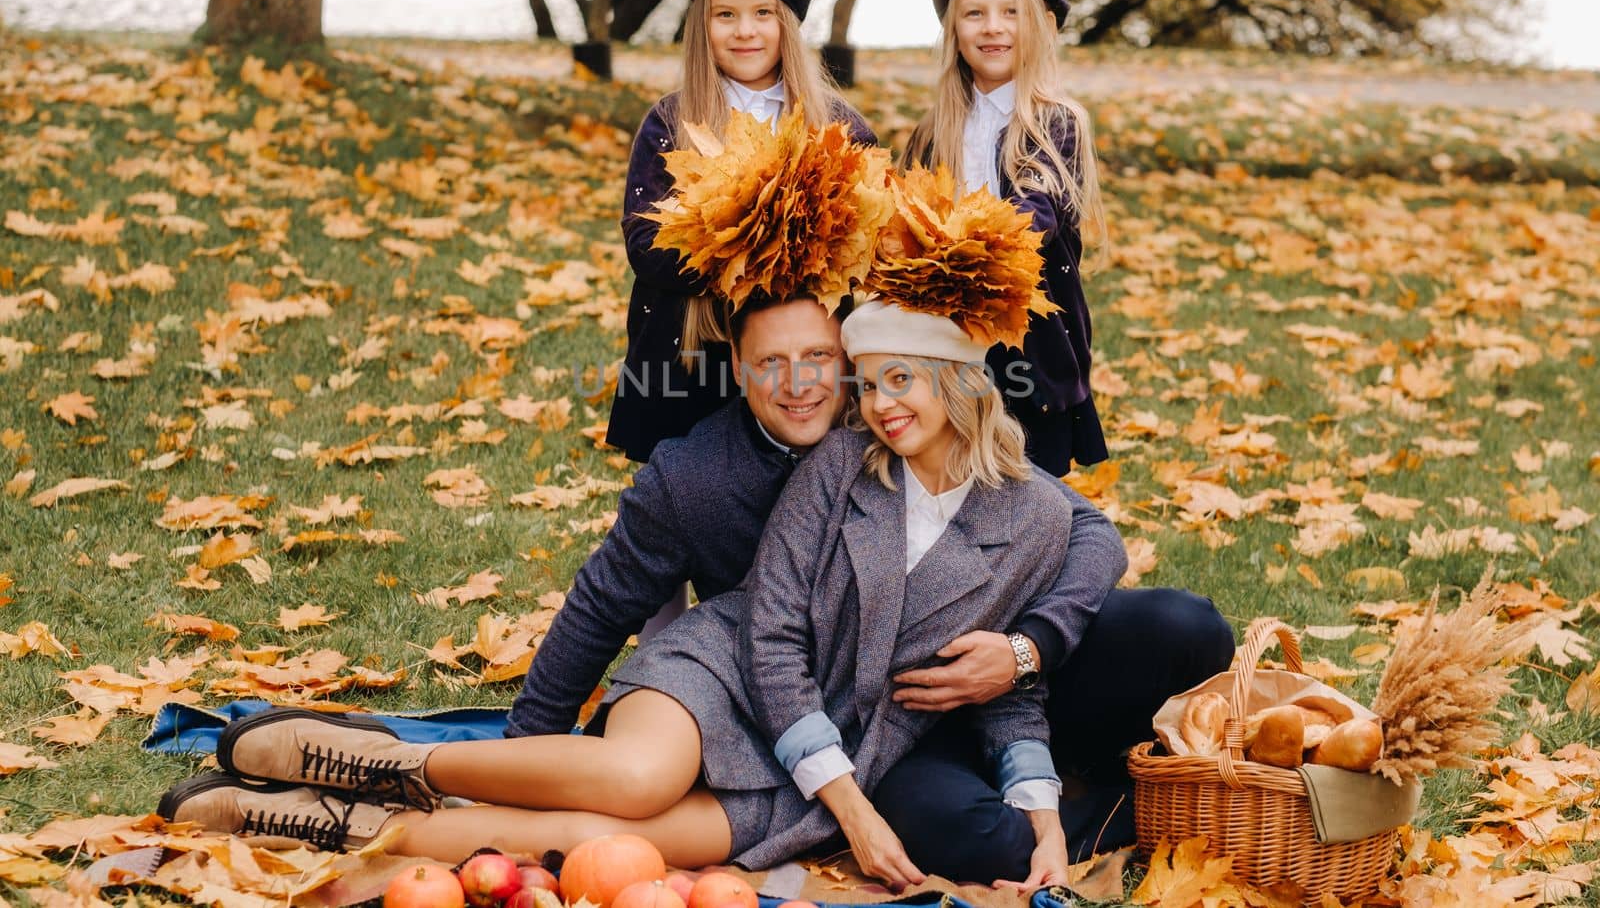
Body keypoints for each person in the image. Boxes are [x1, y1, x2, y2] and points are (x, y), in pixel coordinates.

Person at [155, 179, 1087, 887]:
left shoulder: (1004, 496)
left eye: (845, 368)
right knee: (638, 779)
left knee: (604, 845)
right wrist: (521, 756)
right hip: (728, 673)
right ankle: (372, 759)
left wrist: (1040, 801)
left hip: (823, 749)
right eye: (784, 365)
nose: (843, 393)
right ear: (741, 369)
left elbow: (1030, 636)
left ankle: (307, 821)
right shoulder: (820, 463)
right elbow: (646, 613)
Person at [608, 0, 877, 464]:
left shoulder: (837, 124)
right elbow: (646, 243)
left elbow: (870, 236)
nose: (745, 31)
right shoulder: (670, 122)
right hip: (694, 346)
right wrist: (750, 247)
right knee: (701, 483)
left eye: (762, 13)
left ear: (788, 24)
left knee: (808, 488)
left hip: (806, 352)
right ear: (701, 27)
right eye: (724, 15)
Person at [907, 0, 1107, 478]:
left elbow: (1033, 218)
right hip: (945, 335)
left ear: (1041, 27)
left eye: (1010, 13)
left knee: (1029, 479)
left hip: (1029, 341)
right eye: (975, 13)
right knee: (949, 466)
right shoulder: (935, 130)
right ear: (954, 30)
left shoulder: (1057, 122)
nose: (993, 26)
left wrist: (952, 244)